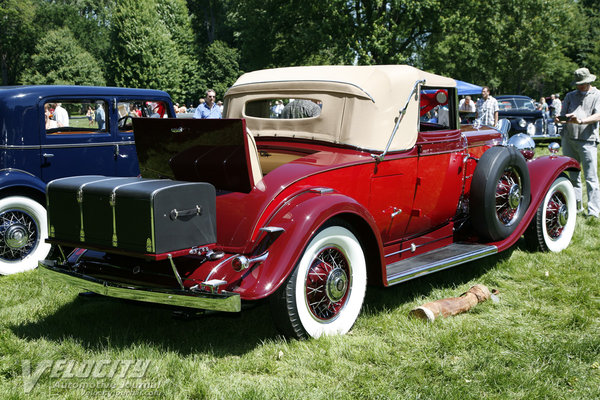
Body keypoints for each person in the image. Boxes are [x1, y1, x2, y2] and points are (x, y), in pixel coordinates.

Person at [557, 67, 600, 218]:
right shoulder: (570, 95)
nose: (580, 86)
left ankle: (594, 212)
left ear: (589, 81)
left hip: (588, 140)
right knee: (573, 176)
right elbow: (562, 117)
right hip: (569, 139)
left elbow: (598, 115)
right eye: (578, 84)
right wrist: (561, 118)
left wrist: (580, 121)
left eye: (582, 83)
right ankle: (576, 207)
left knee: (591, 177)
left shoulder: (597, 95)